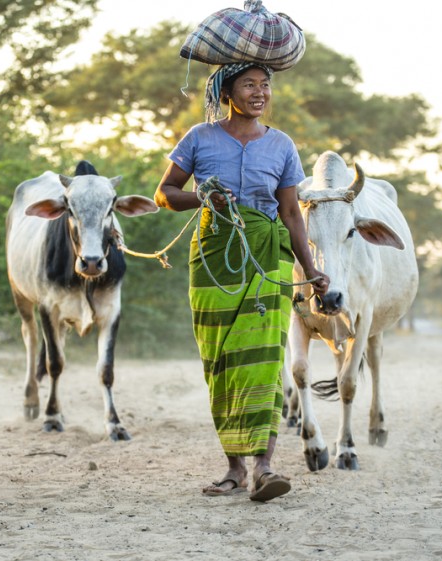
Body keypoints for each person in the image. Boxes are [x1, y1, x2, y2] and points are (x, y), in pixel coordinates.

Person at [154, 62, 329, 502]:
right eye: (249, 84)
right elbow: (164, 194)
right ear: (225, 90)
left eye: (265, 85)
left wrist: (310, 270)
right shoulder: (199, 138)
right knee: (222, 364)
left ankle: (264, 468)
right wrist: (202, 196)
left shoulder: (282, 145)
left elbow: (290, 214)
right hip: (214, 260)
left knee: (265, 361)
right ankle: (233, 468)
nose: (259, 92)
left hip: (268, 260)